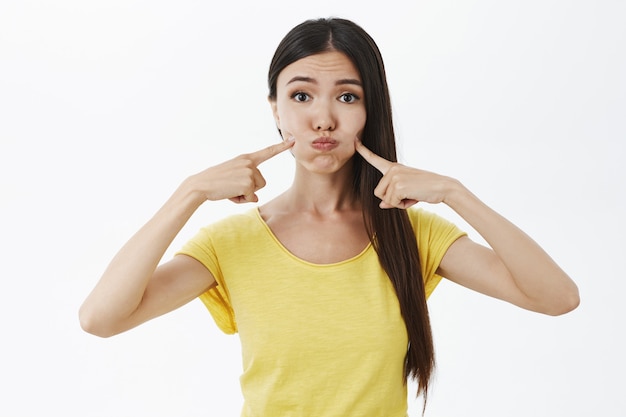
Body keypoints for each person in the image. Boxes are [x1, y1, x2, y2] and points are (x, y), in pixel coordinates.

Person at [79, 17, 579, 417]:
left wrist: (454, 192)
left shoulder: (414, 235)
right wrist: (187, 194)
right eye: (301, 95)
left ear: (369, 111)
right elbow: (100, 319)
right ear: (275, 108)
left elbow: (557, 298)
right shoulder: (230, 243)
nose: (323, 118)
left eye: (347, 96)